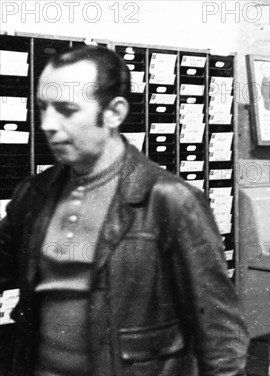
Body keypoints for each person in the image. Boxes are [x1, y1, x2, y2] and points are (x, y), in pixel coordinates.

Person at [0, 45, 248, 376]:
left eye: (67, 109)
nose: (48, 124)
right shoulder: (34, 195)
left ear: (115, 112)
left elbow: (219, 331)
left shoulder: (170, 201)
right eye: (43, 108)